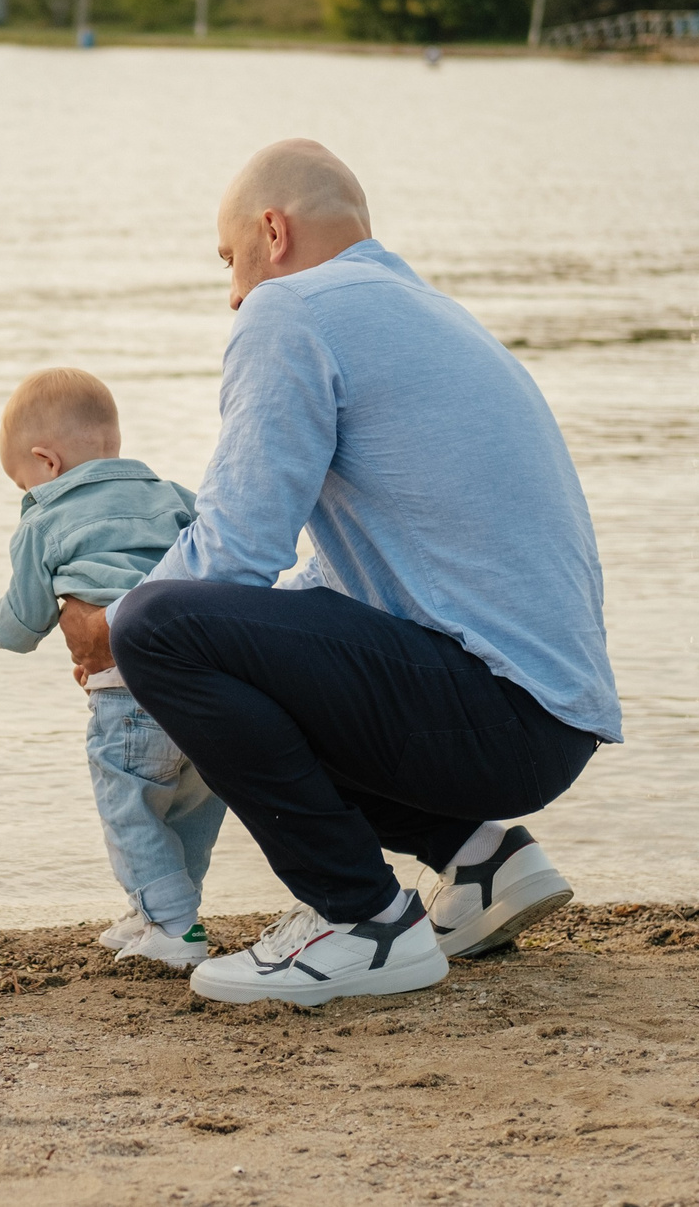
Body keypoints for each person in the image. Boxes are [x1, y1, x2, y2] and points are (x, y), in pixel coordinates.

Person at [61, 140, 619, 1008]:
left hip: (493, 710)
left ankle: (359, 919)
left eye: (229, 260)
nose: (232, 291)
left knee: (161, 628)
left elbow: (237, 549)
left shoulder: (290, 310)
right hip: (543, 720)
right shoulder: (427, 311)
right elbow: (342, 590)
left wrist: (114, 630)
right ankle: (481, 861)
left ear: (272, 232)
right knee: (255, 634)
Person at [0, 369, 221, 971]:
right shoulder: (172, 495)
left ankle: (172, 926)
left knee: (131, 806)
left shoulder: (44, 519)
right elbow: (217, 559)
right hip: (207, 685)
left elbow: (24, 623)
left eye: (21, 480)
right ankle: (166, 913)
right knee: (192, 804)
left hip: (128, 696)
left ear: (44, 461)